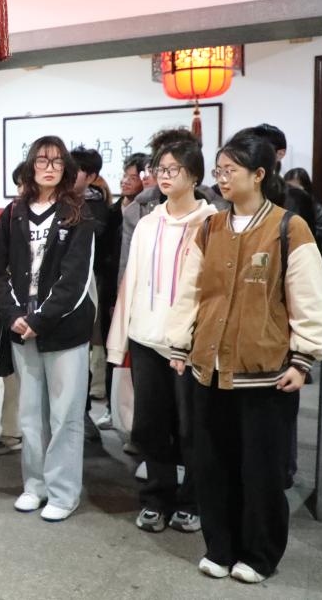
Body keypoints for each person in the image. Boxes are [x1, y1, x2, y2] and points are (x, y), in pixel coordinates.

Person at [165, 128, 322, 583]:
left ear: (258, 174)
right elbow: (190, 291)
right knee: (213, 465)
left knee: (261, 470)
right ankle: (220, 548)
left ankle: (259, 555)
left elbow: (310, 299)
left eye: (230, 170)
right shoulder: (210, 227)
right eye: (218, 170)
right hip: (209, 368)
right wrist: (179, 343)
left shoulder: (288, 227)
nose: (221, 178)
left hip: (266, 374)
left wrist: (303, 358)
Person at [107, 139, 217, 535]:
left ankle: (192, 501)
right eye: (160, 169)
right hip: (146, 339)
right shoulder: (148, 222)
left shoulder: (211, 223)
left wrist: (197, 341)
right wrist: (119, 340)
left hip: (188, 345)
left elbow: (212, 290)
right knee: (150, 426)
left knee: (192, 428)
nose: (164, 176)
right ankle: (156, 498)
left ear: (195, 176)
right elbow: (131, 280)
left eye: (174, 169)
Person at [0, 136, 95, 522]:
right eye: (41, 160)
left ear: (66, 168)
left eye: (56, 161)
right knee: (31, 413)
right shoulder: (13, 213)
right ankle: (35, 486)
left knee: (65, 415)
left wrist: (40, 319)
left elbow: (75, 279)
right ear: (30, 166)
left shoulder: (77, 212)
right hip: (21, 327)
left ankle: (64, 493)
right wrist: (12, 314)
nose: (49, 168)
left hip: (64, 330)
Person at [118, 129, 229, 284]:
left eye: (174, 167)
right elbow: (128, 268)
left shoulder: (217, 211)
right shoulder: (139, 211)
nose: (166, 174)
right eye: (162, 166)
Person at [95, 152, 149, 430]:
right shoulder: (114, 212)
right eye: (125, 176)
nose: (126, 181)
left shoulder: (147, 214)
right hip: (111, 288)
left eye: (133, 177)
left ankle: (136, 415)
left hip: (137, 292)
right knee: (112, 349)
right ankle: (112, 408)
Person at [0, 162, 28, 457]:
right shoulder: (12, 214)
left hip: (45, 312)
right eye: (19, 184)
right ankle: (12, 432)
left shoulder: (66, 214)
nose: (23, 189)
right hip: (12, 309)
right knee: (11, 375)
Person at [69, 146, 108, 441]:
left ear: (92, 176)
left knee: (82, 352)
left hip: (89, 285)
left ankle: (81, 415)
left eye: (77, 170)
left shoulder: (97, 208)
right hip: (56, 289)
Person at [284, 167, 322, 251]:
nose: (292, 194)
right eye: (289, 188)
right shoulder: (280, 207)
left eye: (296, 190)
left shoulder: (318, 210)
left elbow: (318, 236)